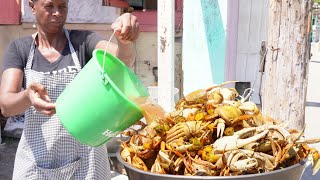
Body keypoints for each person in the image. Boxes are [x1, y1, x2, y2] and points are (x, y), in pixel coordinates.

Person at [0, 0, 139, 179]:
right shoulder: (20, 49)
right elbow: (6, 105)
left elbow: (122, 62)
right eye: (49, 6)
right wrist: (28, 97)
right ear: (32, 7)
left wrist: (124, 41)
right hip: (38, 161)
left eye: (62, 6)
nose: (57, 12)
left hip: (88, 161)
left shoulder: (83, 41)